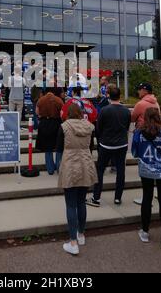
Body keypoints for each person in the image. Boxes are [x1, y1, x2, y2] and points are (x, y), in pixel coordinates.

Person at [132, 108, 161, 250]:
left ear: (144, 118)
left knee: (147, 198)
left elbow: (134, 152)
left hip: (146, 170)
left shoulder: (138, 133)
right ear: (159, 117)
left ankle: (145, 232)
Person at [57, 103, 97, 255]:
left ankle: (73, 242)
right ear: (81, 113)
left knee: (70, 203)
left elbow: (59, 147)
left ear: (68, 113)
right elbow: (92, 146)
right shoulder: (89, 126)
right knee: (81, 201)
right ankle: (81, 234)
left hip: (70, 163)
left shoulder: (64, 126)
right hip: (86, 163)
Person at [87, 86, 131, 207]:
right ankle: (118, 197)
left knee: (100, 170)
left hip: (106, 144)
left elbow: (98, 128)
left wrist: (101, 140)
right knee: (121, 171)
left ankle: (96, 198)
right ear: (120, 96)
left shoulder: (104, 110)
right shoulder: (126, 111)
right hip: (121, 144)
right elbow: (127, 127)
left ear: (108, 96)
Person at [36, 88, 64, 175]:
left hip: (44, 123)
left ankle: (50, 169)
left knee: (48, 148)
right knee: (58, 147)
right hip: (56, 123)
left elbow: (37, 112)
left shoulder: (41, 100)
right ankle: (59, 168)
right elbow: (62, 114)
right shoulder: (59, 100)